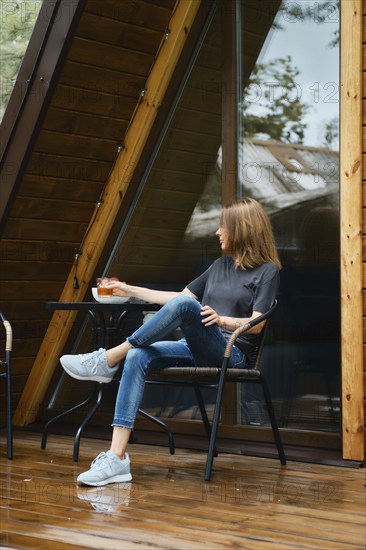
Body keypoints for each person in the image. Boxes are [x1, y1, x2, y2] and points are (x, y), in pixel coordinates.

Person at [60, 197, 281, 486]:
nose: (217, 232)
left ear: (242, 229)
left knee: (187, 308)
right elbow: (176, 299)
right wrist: (128, 288)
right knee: (138, 356)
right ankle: (117, 458)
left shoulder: (268, 272)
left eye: (222, 225)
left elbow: (258, 324)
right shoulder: (219, 265)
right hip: (195, 348)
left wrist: (221, 320)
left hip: (232, 352)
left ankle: (108, 358)